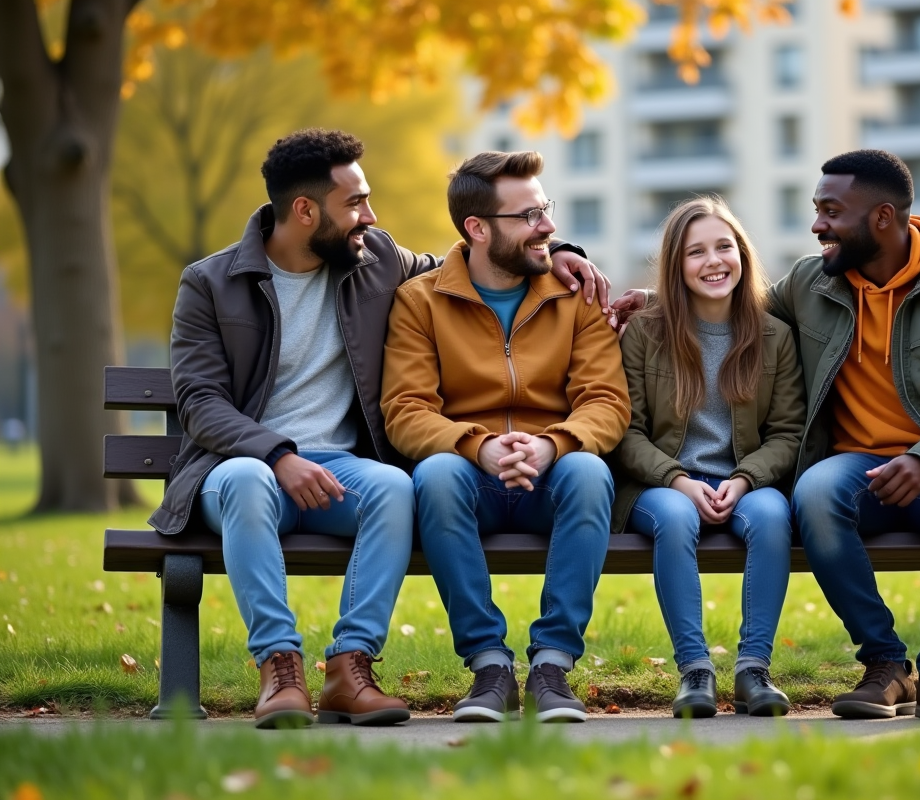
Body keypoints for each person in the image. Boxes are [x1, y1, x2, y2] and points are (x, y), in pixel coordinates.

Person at [150, 129, 606, 729]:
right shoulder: (210, 284)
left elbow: (473, 260)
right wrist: (278, 455)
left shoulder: (374, 258)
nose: (371, 215)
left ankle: (351, 665)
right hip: (240, 469)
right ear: (306, 210)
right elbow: (201, 403)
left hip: (342, 471)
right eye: (356, 203)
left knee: (393, 487)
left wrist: (558, 247)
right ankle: (279, 666)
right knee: (245, 482)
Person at [611, 150, 920, 723]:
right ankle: (885, 664)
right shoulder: (814, 283)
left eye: (831, 212)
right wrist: (653, 300)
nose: (817, 225)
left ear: (882, 218)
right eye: (817, 210)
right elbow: (731, 305)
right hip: (857, 467)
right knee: (813, 492)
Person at [381, 150, 631, 723]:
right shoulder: (419, 301)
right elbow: (406, 408)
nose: (547, 226)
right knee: (436, 474)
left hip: (556, 480)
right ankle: (490, 665)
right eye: (529, 215)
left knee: (590, 471)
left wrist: (552, 445)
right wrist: (480, 447)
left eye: (546, 208)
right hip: (470, 483)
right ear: (477, 228)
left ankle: (552, 664)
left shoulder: (575, 296)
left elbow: (607, 401)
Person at [614, 197, 803, 719]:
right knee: (674, 519)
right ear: (677, 267)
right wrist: (676, 480)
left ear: (743, 253)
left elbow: (787, 434)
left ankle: (753, 670)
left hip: (744, 483)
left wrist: (744, 481)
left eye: (725, 246)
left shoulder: (774, 337)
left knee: (771, 515)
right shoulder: (646, 334)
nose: (713, 261)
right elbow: (625, 432)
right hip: (662, 487)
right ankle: (695, 670)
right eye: (696, 252)